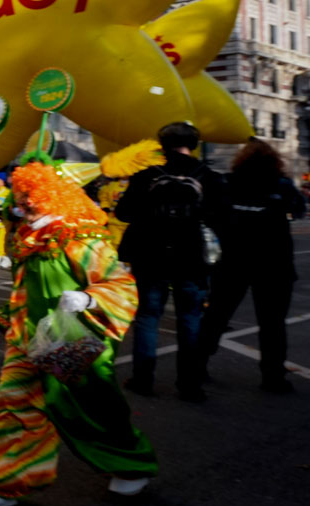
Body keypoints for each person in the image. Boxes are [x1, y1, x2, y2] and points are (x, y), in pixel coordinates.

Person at [0, 158, 157, 506]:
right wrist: (3, 318)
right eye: (21, 197)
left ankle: (130, 465)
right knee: (15, 406)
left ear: (54, 196)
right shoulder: (27, 237)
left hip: (74, 340)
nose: (23, 204)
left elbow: (121, 284)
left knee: (90, 412)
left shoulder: (81, 236)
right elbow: (26, 291)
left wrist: (89, 298)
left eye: (31, 197)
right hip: (27, 340)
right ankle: (5, 482)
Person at [114, 121, 228, 402]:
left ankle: (143, 379)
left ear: (162, 145)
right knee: (190, 319)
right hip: (192, 258)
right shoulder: (209, 176)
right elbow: (223, 218)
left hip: (151, 256)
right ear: (194, 145)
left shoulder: (146, 176)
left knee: (148, 317)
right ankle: (189, 385)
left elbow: (123, 213)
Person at [196, 138, 305, 393]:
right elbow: (299, 209)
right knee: (273, 323)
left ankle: (197, 366)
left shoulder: (227, 183)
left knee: (216, 316)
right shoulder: (281, 185)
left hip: (233, 261)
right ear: (274, 161)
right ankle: (273, 376)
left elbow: (208, 214)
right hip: (274, 264)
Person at [96, 177, 131, 247]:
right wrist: (105, 207)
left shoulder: (136, 185)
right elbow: (104, 197)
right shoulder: (111, 185)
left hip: (128, 222)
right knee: (113, 242)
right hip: (113, 220)